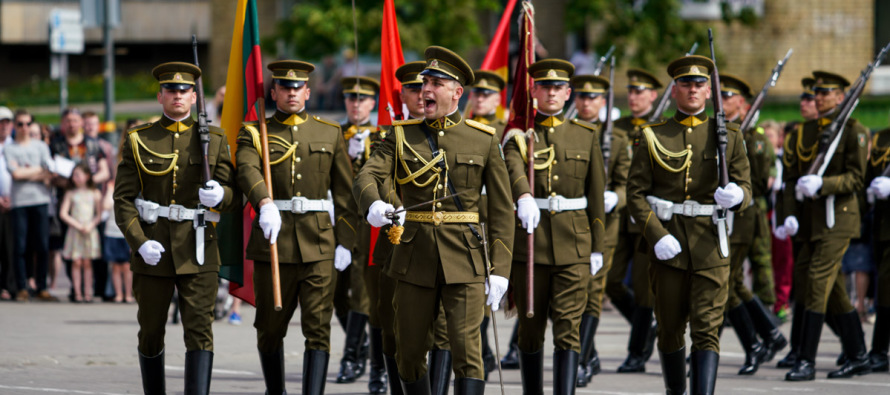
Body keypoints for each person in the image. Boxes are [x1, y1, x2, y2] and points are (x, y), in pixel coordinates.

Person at [354, 45, 514, 394]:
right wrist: (374, 204)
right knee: (408, 353)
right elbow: (366, 176)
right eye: (425, 82)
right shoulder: (399, 135)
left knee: (468, 352)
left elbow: (502, 210)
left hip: (466, 260)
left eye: (436, 83)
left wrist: (500, 268)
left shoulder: (484, 140)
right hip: (414, 258)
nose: (426, 89)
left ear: (457, 92)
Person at [627, 55, 752, 394]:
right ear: (674, 90)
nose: (693, 89)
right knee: (669, 328)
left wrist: (737, 195)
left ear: (710, 92)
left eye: (699, 84)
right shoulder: (654, 135)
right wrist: (656, 235)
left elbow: (748, 190)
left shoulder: (730, 135)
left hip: (711, 245)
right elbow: (635, 194)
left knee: (707, 329)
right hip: (669, 245)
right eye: (686, 84)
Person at [114, 61, 238, 394]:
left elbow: (233, 195)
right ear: (160, 96)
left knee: (200, 330)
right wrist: (138, 242)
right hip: (153, 247)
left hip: (199, 248)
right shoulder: (140, 138)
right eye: (171, 90)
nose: (178, 96)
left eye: (185, 91)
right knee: (151, 329)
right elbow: (123, 200)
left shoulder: (214, 138)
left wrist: (220, 194)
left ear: (195, 97)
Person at [235, 59, 357, 395]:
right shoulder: (254, 131)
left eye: (297, 88)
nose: (291, 93)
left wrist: (346, 240)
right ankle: (276, 390)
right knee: (270, 328)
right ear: (273, 92)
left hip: (319, 243)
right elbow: (246, 170)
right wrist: (264, 202)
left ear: (307, 92)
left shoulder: (328, 132)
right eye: (284, 87)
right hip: (274, 241)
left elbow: (345, 195)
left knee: (318, 328)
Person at [502, 58, 606, 395]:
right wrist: (523, 194)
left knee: (568, 328)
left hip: (574, 245)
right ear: (533, 91)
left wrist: (597, 247)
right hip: (531, 246)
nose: (551, 93)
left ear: (568, 94)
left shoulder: (586, 135)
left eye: (558, 87)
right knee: (530, 330)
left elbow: (595, 196)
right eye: (544, 87)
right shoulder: (521, 136)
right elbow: (512, 163)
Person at [779, 70, 871, 381]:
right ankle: (859, 354)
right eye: (816, 92)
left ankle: (806, 360)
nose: (818, 97)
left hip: (839, 218)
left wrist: (823, 183)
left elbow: (857, 178)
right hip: (811, 222)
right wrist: (789, 213)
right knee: (825, 289)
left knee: (818, 282)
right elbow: (790, 179)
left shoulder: (854, 131)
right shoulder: (803, 132)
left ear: (842, 97)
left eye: (826, 92)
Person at [718, 74, 787, 375]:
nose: (721, 100)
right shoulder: (718, 131)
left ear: (742, 103)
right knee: (730, 284)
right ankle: (769, 335)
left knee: (727, 283)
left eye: (728, 95)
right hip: (720, 219)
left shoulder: (754, 139)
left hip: (745, 217)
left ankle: (757, 342)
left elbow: (757, 184)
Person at [569, 73, 630, 386]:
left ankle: (579, 360)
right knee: (568, 293)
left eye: (592, 97)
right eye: (580, 96)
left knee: (592, 290)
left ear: (603, 102)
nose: (585, 102)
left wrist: (613, 197)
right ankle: (587, 353)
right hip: (569, 223)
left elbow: (627, 186)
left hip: (603, 225)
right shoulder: (567, 133)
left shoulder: (617, 140)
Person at [610, 68, 664, 374]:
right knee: (612, 281)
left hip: (645, 218)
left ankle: (638, 352)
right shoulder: (616, 127)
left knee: (644, 290)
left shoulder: (662, 128)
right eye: (631, 91)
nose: (634, 96)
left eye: (640, 91)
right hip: (619, 217)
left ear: (653, 96)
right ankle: (646, 328)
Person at [334, 75, 379, 386]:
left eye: (362, 99)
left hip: (370, 228)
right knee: (336, 295)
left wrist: (363, 153)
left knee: (363, 296)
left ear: (372, 103)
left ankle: (351, 358)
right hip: (340, 226)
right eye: (351, 98)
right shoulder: (334, 135)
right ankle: (361, 345)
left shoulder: (383, 136)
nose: (356, 104)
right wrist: (347, 154)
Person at [6, 109, 56, 302]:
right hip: (20, 202)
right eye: (20, 124)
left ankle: (42, 286)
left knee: (42, 245)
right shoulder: (10, 148)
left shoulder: (41, 146)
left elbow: (49, 171)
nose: (24, 128)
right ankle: (22, 286)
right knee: (20, 246)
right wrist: (38, 172)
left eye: (27, 124)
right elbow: (15, 174)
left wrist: (27, 172)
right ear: (15, 126)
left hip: (40, 200)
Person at [866, 118, 890, 373]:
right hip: (883, 226)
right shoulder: (881, 138)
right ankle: (879, 351)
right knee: (884, 288)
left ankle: (879, 351)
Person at [60, 164, 101, 303]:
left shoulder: (95, 193)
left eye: (78, 174)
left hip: (89, 230)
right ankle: (77, 292)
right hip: (75, 230)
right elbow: (63, 213)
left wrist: (90, 225)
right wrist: (77, 225)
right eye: (74, 175)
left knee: (87, 262)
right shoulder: (71, 193)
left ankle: (88, 293)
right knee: (76, 261)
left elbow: (99, 214)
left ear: (87, 176)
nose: (75, 177)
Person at [102, 180, 132, 303]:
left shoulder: (130, 189)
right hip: (112, 232)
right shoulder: (112, 190)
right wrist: (110, 190)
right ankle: (118, 294)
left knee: (127, 266)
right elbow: (106, 206)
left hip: (126, 233)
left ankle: (128, 294)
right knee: (115, 266)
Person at [0, 106, 16, 301]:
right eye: (0, 123)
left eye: (7, 122)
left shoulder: (15, 146)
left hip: (14, 202)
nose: (4, 126)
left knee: (11, 247)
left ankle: (8, 285)